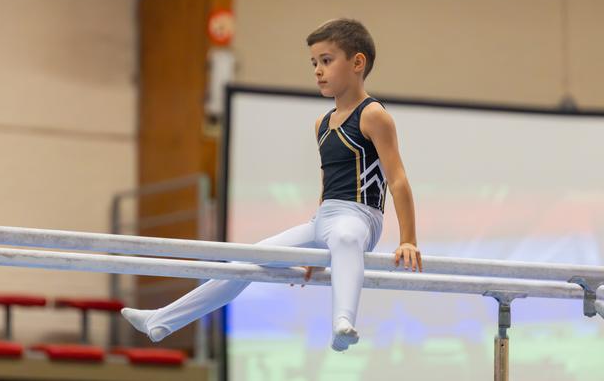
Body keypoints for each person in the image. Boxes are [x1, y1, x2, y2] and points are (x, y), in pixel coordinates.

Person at [121, 18, 422, 352]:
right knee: (250, 260)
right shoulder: (322, 123)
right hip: (323, 219)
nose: (318, 71)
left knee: (346, 237)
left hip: (360, 217)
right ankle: (162, 320)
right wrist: (319, 248)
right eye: (314, 63)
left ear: (357, 62)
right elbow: (327, 185)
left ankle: (343, 322)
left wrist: (408, 239)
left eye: (326, 60)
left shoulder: (373, 115)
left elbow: (397, 179)